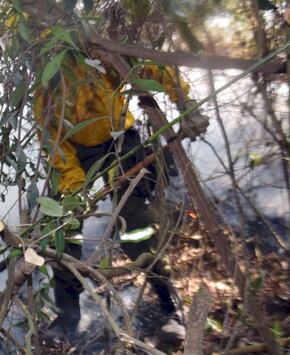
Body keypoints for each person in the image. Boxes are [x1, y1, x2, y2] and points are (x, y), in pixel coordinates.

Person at [33, 52, 209, 340]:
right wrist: (75, 188)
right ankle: (66, 319)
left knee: (135, 228)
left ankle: (170, 309)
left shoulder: (94, 56)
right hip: (79, 151)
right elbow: (57, 146)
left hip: (121, 140)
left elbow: (152, 66)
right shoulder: (43, 93)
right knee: (64, 230)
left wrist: (186, 103)